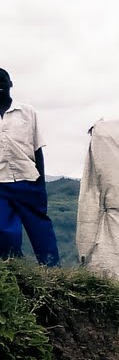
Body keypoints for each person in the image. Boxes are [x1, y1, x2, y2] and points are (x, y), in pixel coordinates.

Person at [0, 68, 59, 265]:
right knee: (5, 231)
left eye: (3, 80)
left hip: (28, 180)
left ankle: (52, 270)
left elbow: (37, 149)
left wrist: (40, 184)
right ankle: (13, 268)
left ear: (11, 84)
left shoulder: (27, 112)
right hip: (1, 183)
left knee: (40, 228)